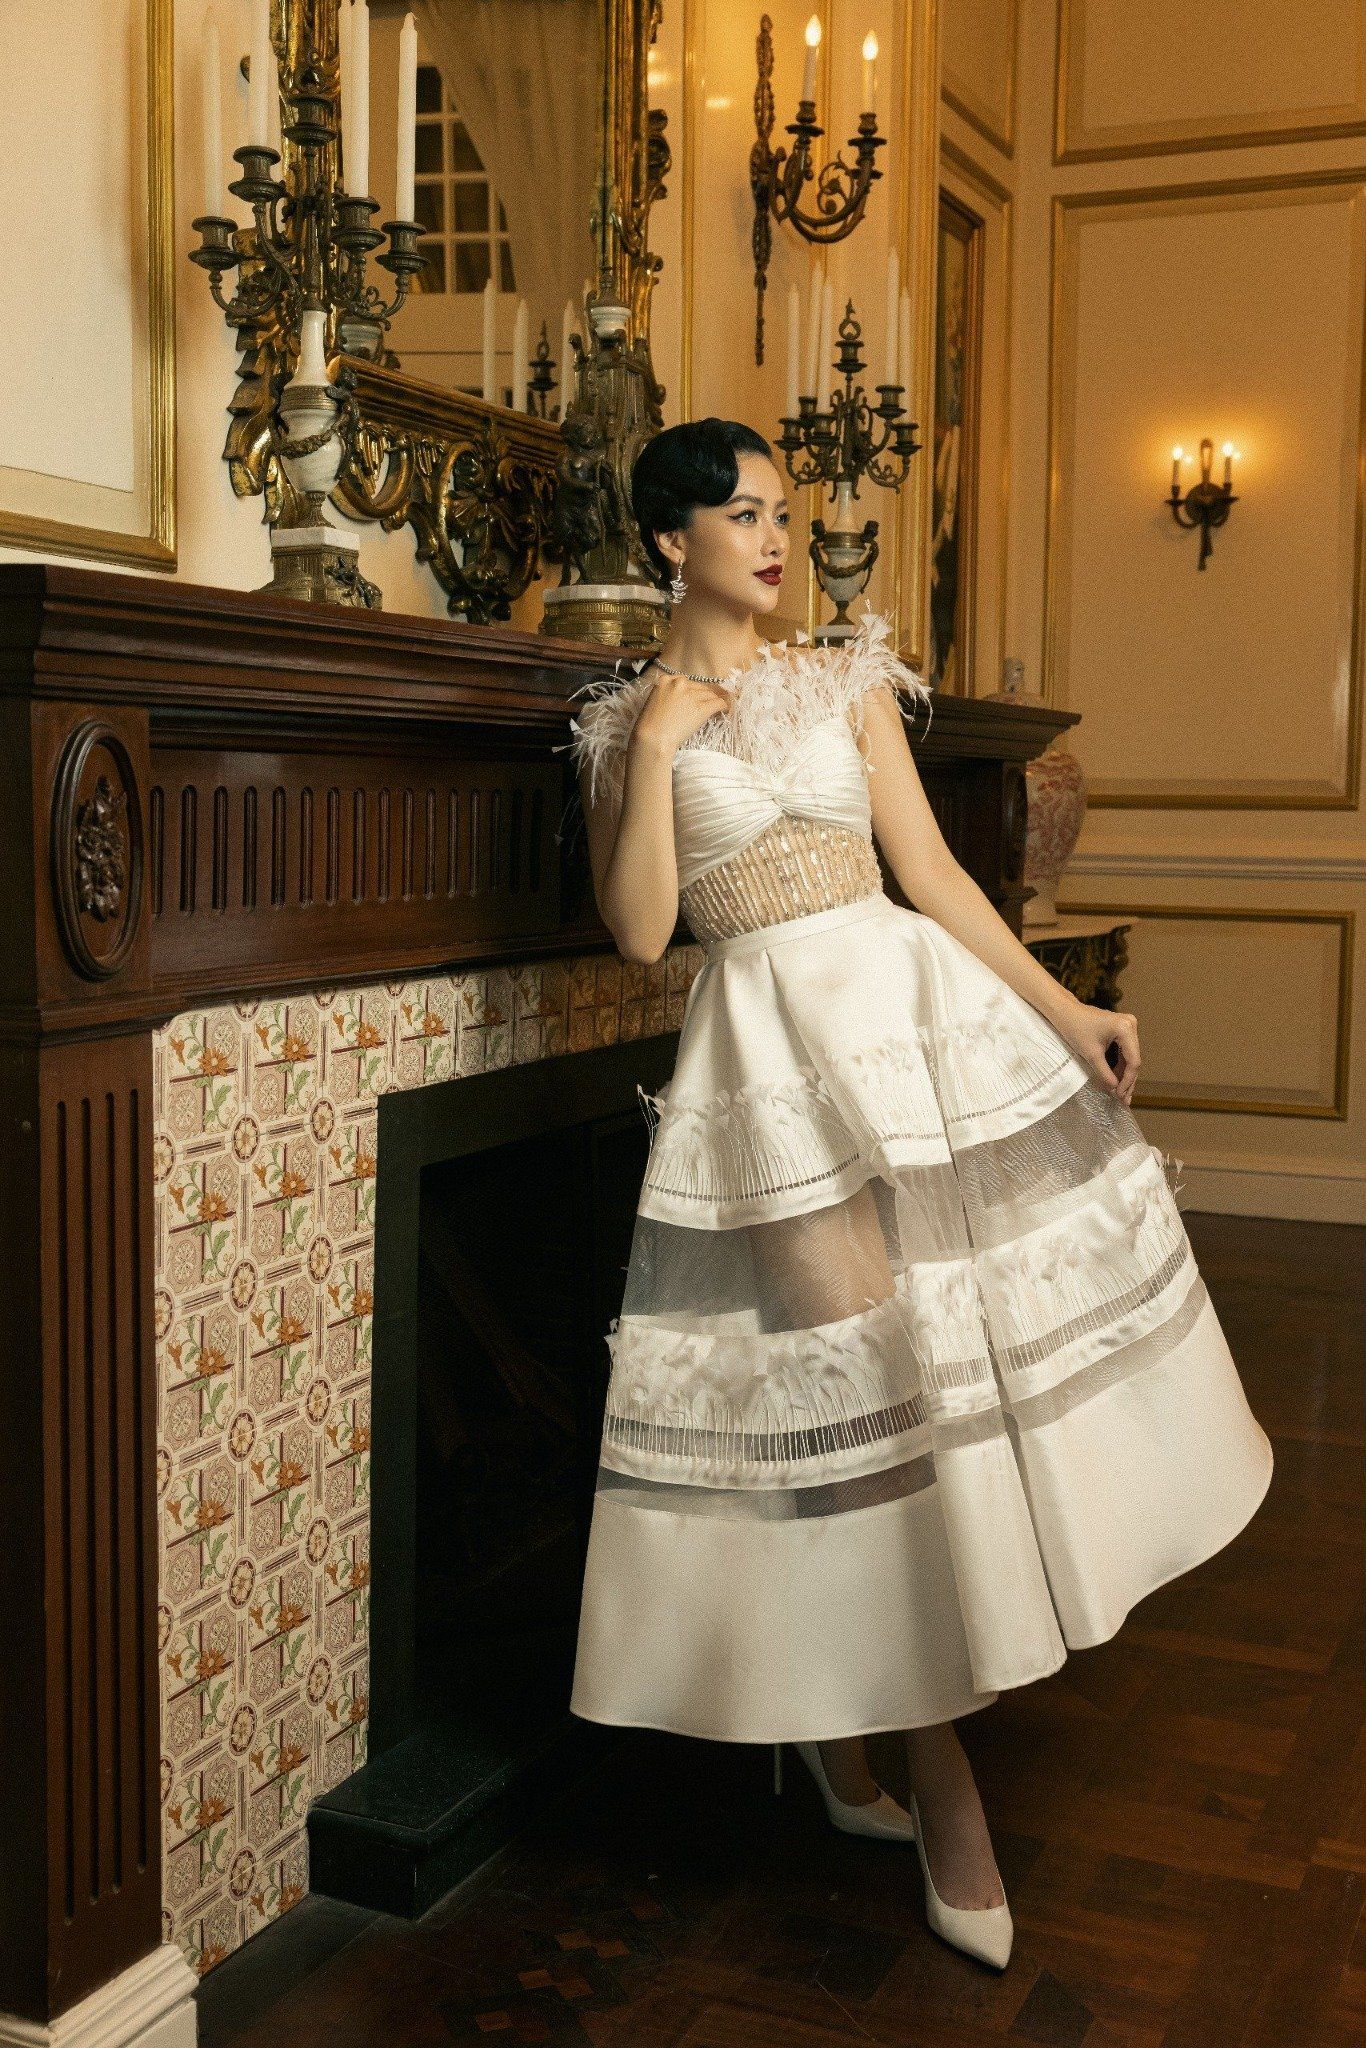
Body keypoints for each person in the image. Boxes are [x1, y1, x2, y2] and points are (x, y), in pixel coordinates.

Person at [562, 417, 1274, 1970]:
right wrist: (664, 747)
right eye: (742, 514)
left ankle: (855, 1741)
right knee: (861, 1427)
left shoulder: (845, 680)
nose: (774, 538)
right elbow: (640, 935)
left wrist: (1065, 1014)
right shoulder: (624, 727)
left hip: (915, 1048)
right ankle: (930, 1780)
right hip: (770, 1078)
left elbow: (937, 881)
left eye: (781, 510)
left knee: (945, 1400)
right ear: (669, 540)